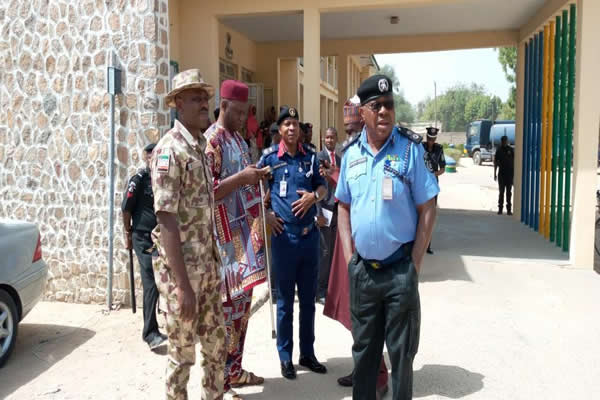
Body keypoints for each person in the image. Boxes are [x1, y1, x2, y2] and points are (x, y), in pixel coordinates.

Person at [336, 75, 439, 400]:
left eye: (389, 105)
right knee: (364, 356)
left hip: (399, 272)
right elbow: (343, 207)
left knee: (402, 357)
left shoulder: (410, 150)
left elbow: (428, 207)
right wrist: (349, 259)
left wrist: (415, 265)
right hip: (364, 272)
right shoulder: (351, 154)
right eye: (375, 106)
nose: (384, 111)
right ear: (362, 112)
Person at [150, 69, 226, 400]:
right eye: (196, 98)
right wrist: (182, 287)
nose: (204, 104)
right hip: (183, 278)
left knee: (216, 351)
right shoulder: (170, 150)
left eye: (206, 98)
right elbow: (166, 219)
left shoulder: (199, 147)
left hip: (206, 273)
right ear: (178, 104)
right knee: (182, 359)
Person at [204, 80, 271, 400]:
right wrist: (243, 177)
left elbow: (244, 186)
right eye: (240, 112)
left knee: (242, 310)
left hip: (245, 240)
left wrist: (256, 183)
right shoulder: (211, 142)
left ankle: (235, 369)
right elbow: (208, 192)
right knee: (225, 314)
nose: (245, 118)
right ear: (225, 106)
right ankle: (220, 382)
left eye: (247, 112)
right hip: (223, 244)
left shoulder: (240, 141)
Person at [323, 98, 390, 395]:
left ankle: (379, 373)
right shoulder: (348, 151)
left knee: (367, 310)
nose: (349, 132)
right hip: (345, 237)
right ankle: (363, 367)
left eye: (353, 126)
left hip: (368, 243)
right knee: (355, 308)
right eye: (346, 127)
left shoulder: (381, 148)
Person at [257, 106, 328, 380]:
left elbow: (322, 187)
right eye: (286, 123)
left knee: (308, 301)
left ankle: (307, 354)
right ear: (279, 129)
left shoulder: (310, 157)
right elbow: (257, 193)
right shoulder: (268, 159)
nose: (291, 128)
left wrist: (314, 197)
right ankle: (285, 357)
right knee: (285, 302)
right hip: (284, 239)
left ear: (299, 129)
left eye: (295, 124)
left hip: (309, 237)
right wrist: (267, 216)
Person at [121, 142, 166, 351]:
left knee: (160, 281)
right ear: (145, 156)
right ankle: (150, 334)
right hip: (142, 237)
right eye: (151, 155)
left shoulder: (161, 178)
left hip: (160, 237)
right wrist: (127, 234)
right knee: (150, 280)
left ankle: (155, 326)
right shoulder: (138, 180)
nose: (153, 158)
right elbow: (126, 208)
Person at [316, 127, 340, 303]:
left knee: (333, 252)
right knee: (324, 252)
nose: (330, 140)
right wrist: (317, 214)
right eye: (327, 137)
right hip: (323, 209)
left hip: (337, 210)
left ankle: (330, 289)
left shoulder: (339, 159)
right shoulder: (318, 158)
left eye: (332, 138)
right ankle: (320, 291)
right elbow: (314, 186)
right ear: (323, 138)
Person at [422, 126, 446, 255]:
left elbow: (442, 168)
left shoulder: (439, 149)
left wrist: (432, 175)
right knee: (418, 214)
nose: (431, 141)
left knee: (430, 215)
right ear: (427, 137)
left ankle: (428, 245)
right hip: (420, 185)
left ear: (435, 138)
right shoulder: (420, 147)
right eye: (429, 138)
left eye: (433, 139)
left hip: (432, 185)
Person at [494, 135, 514, 215]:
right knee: (501, 192)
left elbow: (513, 162)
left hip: (509, 174)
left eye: (505, 141)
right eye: (503, 141)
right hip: (501, 174)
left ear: (507, 141)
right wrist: (495, 174)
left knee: (509, 192)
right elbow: (496, 162)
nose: (504, 142)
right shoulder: (499, 150)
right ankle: (500, 209)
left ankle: (509, 210)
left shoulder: (511, 150)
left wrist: (513, 175)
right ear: (501, 141)